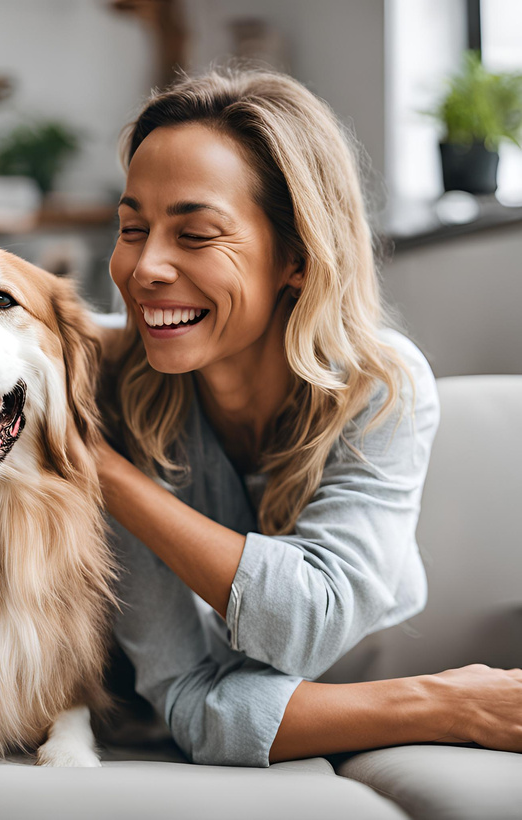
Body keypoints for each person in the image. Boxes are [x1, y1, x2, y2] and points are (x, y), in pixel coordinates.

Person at [94, 68, 522, 767]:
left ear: (295, 257)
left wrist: (100, 469)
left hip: (356, 677)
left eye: (196, 235)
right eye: (132, 228)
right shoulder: (99, 386)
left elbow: (307, 626)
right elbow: (188, 703)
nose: (144, 268)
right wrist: (447, 703)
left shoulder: (382, 387)